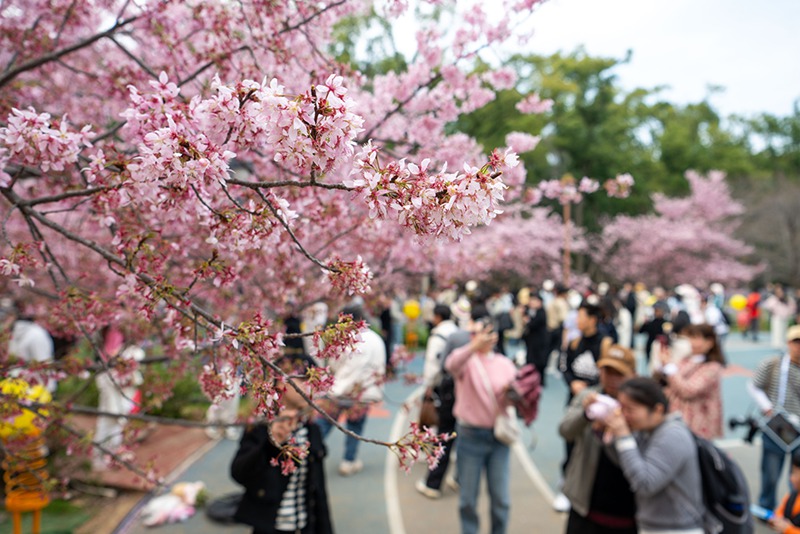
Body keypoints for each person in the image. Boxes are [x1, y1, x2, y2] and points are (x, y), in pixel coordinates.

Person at [231, 353, 334, 534]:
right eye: (304, 380)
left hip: (305, 526)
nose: (310, 387)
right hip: (271, 527)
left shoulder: (312, 430)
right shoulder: (261, 427)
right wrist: (272, 443)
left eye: (314, 381)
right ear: (280, 382)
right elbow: (240, 473)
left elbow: (319, 492)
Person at [445, 308, 518, 534]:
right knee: (467, 499)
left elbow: (515, 398)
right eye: (477, 332)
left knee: (501, 499)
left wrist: (515, 395)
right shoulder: (466, 360)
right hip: (470, 436)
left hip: (498, 438)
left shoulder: (505, 364)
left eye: (487, 333)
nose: (482, 337)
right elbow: (450, 365)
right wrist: (473, 347)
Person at [605, 377, 705, 534]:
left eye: (630, 410)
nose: (623, 416)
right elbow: (626, 463)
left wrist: (624, 437)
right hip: (655, 525)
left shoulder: (673, 435)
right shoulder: (647, 431)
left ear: (657, 410)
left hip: (676, 529)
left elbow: (644, 483)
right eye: (621, 408)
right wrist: (609, 436)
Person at [559, 344, 638, 534]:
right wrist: (586, 415)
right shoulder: (589, 397)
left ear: (632, 375)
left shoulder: (640, 407)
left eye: (618, 373)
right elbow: (565, 430)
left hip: (627, 514)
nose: (611, 378)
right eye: (607, 371)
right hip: (584, 506)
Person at [415, 303, 485, 500]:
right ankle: (461, 479)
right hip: (473, 397)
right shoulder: (483, 339)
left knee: (444, 439)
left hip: (451, 394)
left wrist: (429, 386)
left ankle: (433, 483)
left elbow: (444, 365)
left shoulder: (455, 337)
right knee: (465, 439)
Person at [555, 301, 612, 512]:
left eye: (580, 316)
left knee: (591, 445)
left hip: (594, 402)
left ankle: (585, 490)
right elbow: (565, 367)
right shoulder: (574, 342)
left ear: (592, 319)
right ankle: (566, 487)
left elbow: (607, 373)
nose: (577, 320)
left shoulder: (605, 343)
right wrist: (572, 383)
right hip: (573, 401)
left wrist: (589, 389)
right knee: (570, 442)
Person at [316, 305, 386, 476]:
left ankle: (309, 452)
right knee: (354, 427)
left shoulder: (344, 339)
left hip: (340, 389)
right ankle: (349, 461)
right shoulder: (376, 339)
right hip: (363, 392)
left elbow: (333, 364)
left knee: (323, 424)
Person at [748, 325, 800, 510]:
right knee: (770, 472)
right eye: (796, 342)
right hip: (777, 426)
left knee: (797, 476)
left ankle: (793, 510)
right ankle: (766, 507)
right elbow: (754, 386)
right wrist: (767, 407)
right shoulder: (773, 364)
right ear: (788, 343)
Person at [656, 323, 725, 439]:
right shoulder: (685, 359)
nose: (692, 342)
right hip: (677, 417)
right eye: (691, 337)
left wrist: (670, 369)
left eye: (697, 338)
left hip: (699, 422)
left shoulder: (712, 367)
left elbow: (688, 390)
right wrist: (663, 366)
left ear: (710, 342)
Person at [94, 325, 145, 469]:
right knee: (112, 419)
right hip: (112, 383)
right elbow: (112, 354)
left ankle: (110, 454)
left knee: (113, 420)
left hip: (112, 381)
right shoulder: (114, 330)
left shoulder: (111, 330)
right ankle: (107, 456)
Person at [768, 451, 800, 533]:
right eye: (792, 472)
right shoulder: (793, 495)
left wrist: (789, 529)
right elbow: (780, 510)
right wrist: (776, 519)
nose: (791, 478)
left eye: (796, 474)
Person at [522, 292, 548, 386]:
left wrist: (527, 321)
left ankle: (539, 380)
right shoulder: (530, 311)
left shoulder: (541, 312)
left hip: (539, 341)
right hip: (531, 340)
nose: (532, 303)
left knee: (539, 361)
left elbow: (533, 324)